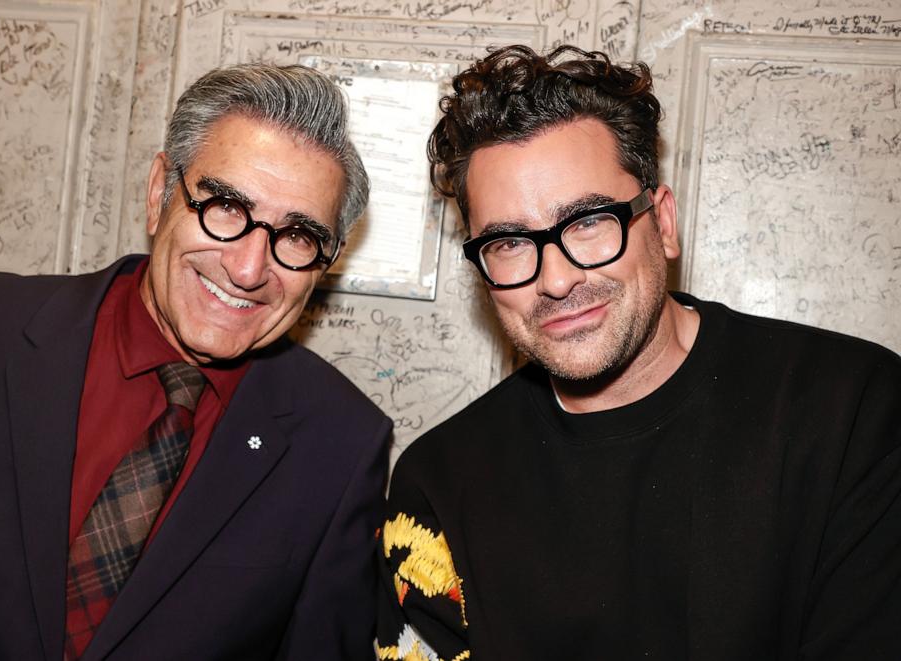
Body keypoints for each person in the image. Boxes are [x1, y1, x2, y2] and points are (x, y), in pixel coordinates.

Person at [376, 44, 901, 661]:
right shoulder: (437, 483)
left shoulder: (855, 412)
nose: (556, 279)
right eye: (510, 242)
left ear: (664, 222)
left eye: (589, 222)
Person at [0, 63, 391, 660]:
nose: (247, 269)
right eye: (226, 207)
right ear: (159, 192)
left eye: (296, 236)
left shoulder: (341, 443)